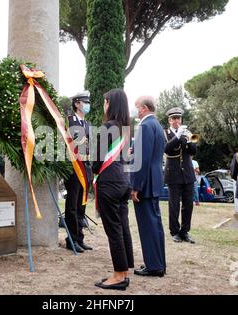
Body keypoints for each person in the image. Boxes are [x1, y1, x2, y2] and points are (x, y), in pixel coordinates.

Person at [93, 88, 133, 291]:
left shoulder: (107, 127)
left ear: (110, 104)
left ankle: (118, 276)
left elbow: (96, 158)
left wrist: (93, 170)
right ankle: (124, 272)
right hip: (123, 182)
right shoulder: (126, 129)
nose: (103, 105)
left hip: (109, 183)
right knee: (122, 227)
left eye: (105, 101)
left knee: (114, 230)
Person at [130, 96, 166, 278]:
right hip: (154, 181)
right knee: (155, 225)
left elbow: (141, 160)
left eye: (138, 107)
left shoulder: (145, 126)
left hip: (145, 184)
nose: (137, 111)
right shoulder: (158, 126)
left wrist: (135, 186)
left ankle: (153, 266)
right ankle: (159, 263)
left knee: (148, 226)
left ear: (144, 108)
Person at [64, 91, 93, 253]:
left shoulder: (87, 124)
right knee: (72, 206)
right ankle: (71, 239)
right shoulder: (69, 121)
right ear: (77, 104)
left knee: (82, 205)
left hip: (86, 167)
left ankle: (79, 238)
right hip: (74, 168)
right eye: (84, 102)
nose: (87, 105)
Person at [164, 107, 197, 244]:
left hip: (188, 174)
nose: (176, 121)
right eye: (174, 118)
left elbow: (193, 151)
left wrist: (188, 139)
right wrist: (177, 137)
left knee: (188, 205)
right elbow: (166, 149)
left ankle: (185, 231)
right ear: (169, 120)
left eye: (178, 118)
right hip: (173, 174)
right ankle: (175, 231)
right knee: (174, 205)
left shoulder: (186, 134)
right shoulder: (165, 133)